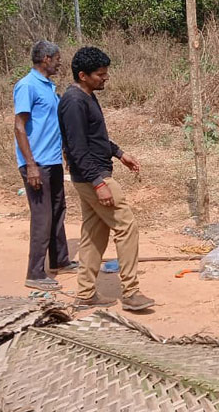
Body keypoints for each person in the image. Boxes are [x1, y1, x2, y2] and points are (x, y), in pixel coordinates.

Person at [58, 46, 155, 311]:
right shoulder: (74, 102)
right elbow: (77, 149)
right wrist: (99, 183)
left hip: (93, 174)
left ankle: (85, 293)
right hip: (93, 176)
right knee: (127, 226)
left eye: (105, 73)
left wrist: (119, 153)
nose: (105, 78)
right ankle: (131, 292)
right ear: (83, 75)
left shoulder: (86, 96)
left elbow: (95, 138)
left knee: (93, 235)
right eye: (100, 74)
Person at [13, 40, 78, 292]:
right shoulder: (27, 86)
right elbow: (20, 126)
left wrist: (65, 153)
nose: (60, 64)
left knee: (58, 210)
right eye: (57, 59)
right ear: (46, 59)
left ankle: (60, 259)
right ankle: (35, 273)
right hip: (37, 163)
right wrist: (30, 165)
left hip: (52, 161)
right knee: (42, 217)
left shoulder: (49, 87)